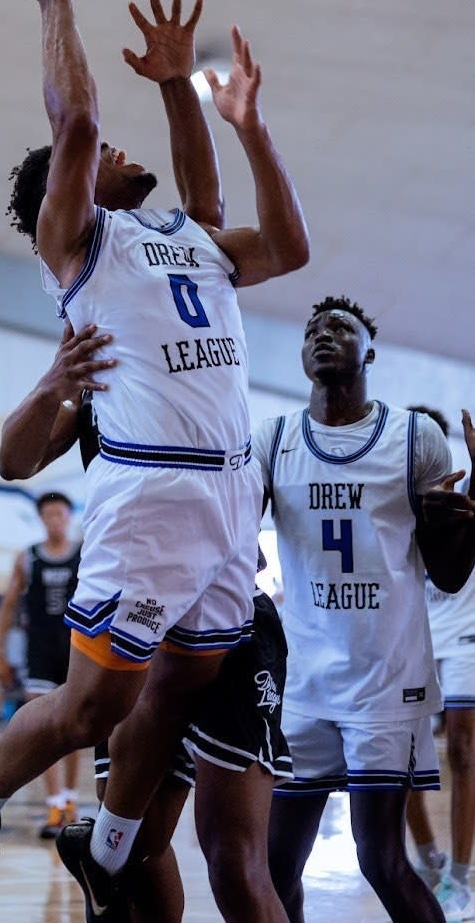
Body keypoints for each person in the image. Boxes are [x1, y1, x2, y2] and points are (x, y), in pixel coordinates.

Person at [0, 0, 309, 919]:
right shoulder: (86, 249)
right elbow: (81, 124)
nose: (115, 147)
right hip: (149, 500)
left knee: (177, 689)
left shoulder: (190, 241)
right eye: (101, 158)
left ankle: (104, 847)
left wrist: (220, 107)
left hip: (230, 503)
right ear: (78, 191)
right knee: (100, 701)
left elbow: (274, 243)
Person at [0, 321, 293, 922]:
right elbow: (13, 460)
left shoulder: (202, 362)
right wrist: (55, 381)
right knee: (131, 855)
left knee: (233, 860)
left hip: (230, 624)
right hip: (141, 620)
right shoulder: (95, 397)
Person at [254, 296, 475, 923]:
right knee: (274, 867)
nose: (324, 335)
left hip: (386, 683)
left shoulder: (414, 438)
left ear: (369, 351)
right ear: (301, 356)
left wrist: (466, 526)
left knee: (380, 859)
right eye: (312, 330)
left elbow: (451, 576)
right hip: (305, 683)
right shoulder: (273, 439)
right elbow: (235, 533)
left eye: (341, 327)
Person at [406, 405, 475, 921]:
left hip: (465, 637)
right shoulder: (391, 496)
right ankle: (429, 862)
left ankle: (460, 874)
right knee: (400, 759)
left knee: (463, 752)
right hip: (411, 639)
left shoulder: (464, 489)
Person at [0, 491, 82, 839]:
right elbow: (8, 604)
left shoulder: (85, 553)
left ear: (68, 515)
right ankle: (55, 804)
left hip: (78, 649)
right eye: (48, 514)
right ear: (41, 518)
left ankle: (71, 801)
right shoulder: (27, 558)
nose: (54, 520)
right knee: (44, 730)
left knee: (75, 731)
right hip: (40, 652)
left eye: (59, 513)